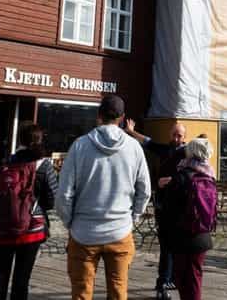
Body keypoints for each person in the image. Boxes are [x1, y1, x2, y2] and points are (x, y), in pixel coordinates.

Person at [56, 95, 151, 300]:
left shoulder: (79, 146)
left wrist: (70, 222)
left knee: (81, 293)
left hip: (83, 232)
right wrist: (132, 218)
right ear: (123, 117)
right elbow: (145, 190)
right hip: (120, 231)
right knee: (118, 293)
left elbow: (63, 194)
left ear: (98, 115)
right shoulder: (134, 148)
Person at [0, 124, 58, 300]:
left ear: (20, 140)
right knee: (21, 280)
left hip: (1, 227)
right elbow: (52, 199)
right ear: (41, 140)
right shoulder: (44, 165)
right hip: (31, 229)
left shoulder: (6, 161)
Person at [123, 121, 186, 299]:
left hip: (180, 209)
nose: (176, 138)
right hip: (164, 208)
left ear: (184, 137)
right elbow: (148, 142)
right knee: (167, 247)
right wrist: (131, 132)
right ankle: (163, 283)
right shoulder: (165, 150)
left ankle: (171, 278)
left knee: (176, 246)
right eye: (173, 134)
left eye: (179, 135)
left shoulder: (188, 153)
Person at [161, 138, 217, 300]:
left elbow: (168, 210)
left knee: (184, 280)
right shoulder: (209, 175)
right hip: (202, 234)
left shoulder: (181, 176)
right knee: (195, 276)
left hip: (182, 236)